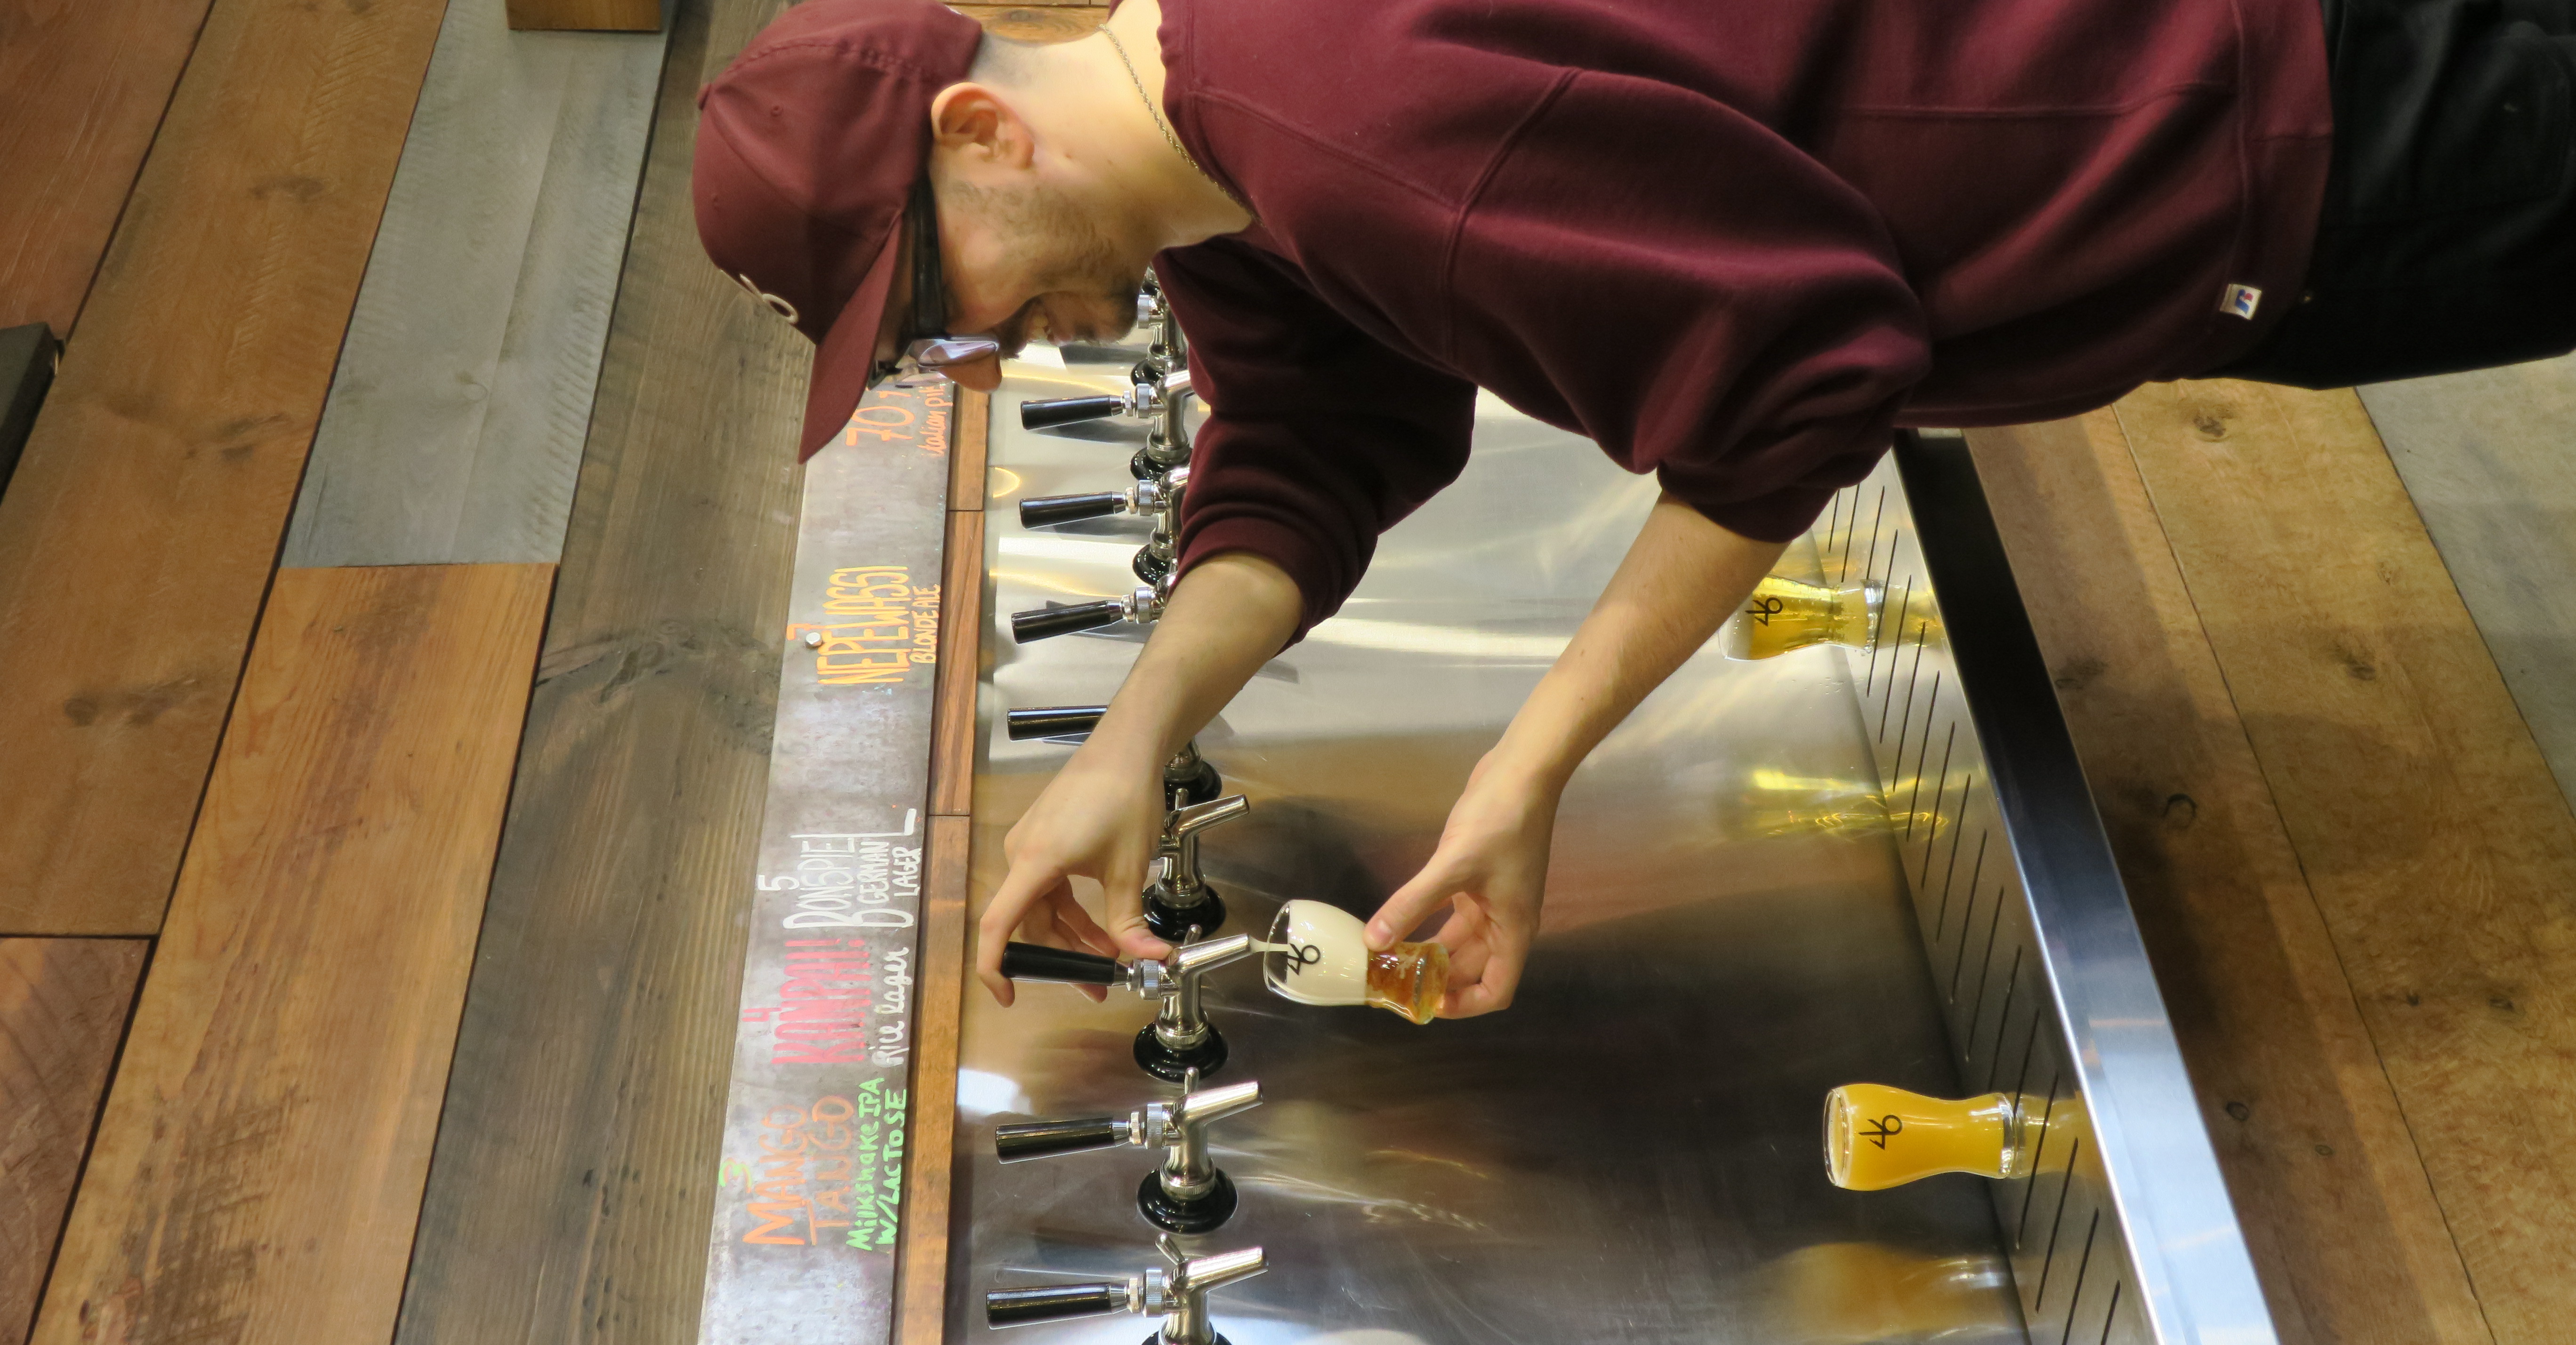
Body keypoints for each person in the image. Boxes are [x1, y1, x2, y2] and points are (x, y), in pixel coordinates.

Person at [693, 0, 2576, 1018]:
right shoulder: (1229, 135)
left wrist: (1523, 778)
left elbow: (1806, 377)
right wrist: (1135, 736)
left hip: (2267, 111)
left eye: (944, 298)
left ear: (980, 133)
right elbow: (1317, 442)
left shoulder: (1340, 136)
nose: (993, 342)